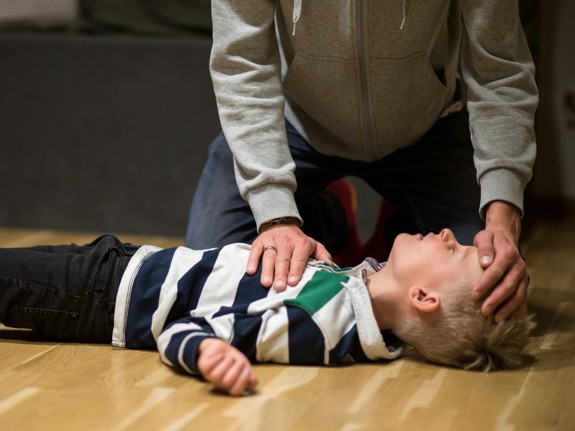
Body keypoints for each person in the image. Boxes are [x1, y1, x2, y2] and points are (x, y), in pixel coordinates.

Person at [185, 1, 538, 324]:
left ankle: (400, 228)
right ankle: (328, 214)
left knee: (484, 301)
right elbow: (241, 63)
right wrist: (277, 215)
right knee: (212, 282)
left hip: (428, 130)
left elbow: (501, 69)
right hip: (297, 127)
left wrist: (503, 218)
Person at [0, 229, 533, 396]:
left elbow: (186, 331)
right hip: (125, 266)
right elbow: (371, 271)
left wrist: (209, 353)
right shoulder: (360, 296)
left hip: (105, 295)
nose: (446, 233)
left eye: (453, 250)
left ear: (423, 298)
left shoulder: (318, 324)